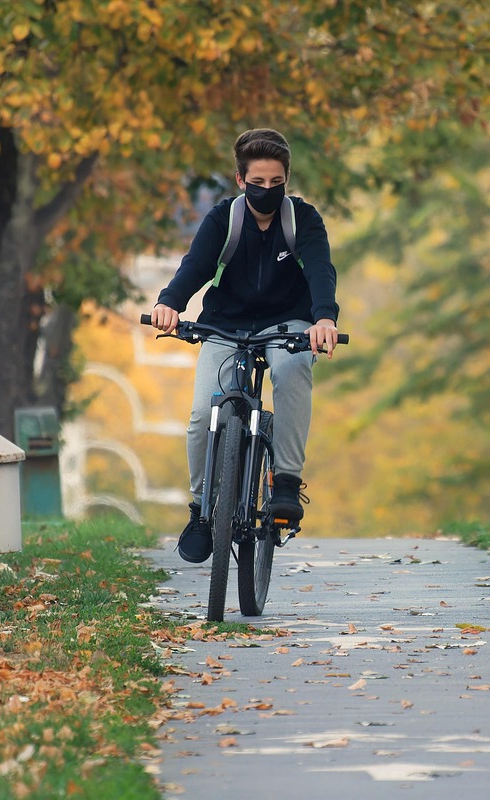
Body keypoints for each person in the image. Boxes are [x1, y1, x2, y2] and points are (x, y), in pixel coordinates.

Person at [150, 128, 339, 563]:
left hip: (288, 322)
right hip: (227, 324)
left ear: (287, 180)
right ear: (240, 180)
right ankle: (200, 510)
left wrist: (324, 318)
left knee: (292, 371)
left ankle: (286, 483)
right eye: (258, 183)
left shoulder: (302, 219)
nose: (267, 191)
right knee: (202, 413)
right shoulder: (224, 219)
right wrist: (168, 303)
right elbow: (195, 266)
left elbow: (320, 270)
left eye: (277, 183)